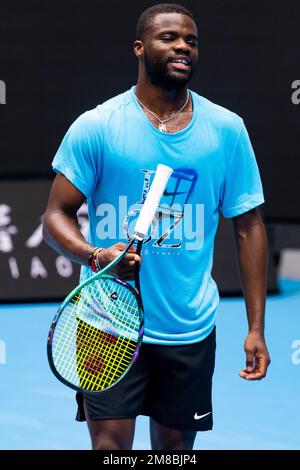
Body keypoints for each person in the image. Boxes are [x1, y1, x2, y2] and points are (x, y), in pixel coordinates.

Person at [43, 3, 271, 451]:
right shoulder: (98, 126)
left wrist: (256, 327)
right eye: (169, 37)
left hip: (189, 325)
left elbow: (249, 227)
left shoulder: (227, 130)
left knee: (173, 453)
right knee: (110, 449)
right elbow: (54, 217)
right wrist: (96, 256)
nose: (183, 46)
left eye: (191, 40)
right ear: (140, 47)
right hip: (108, 322)